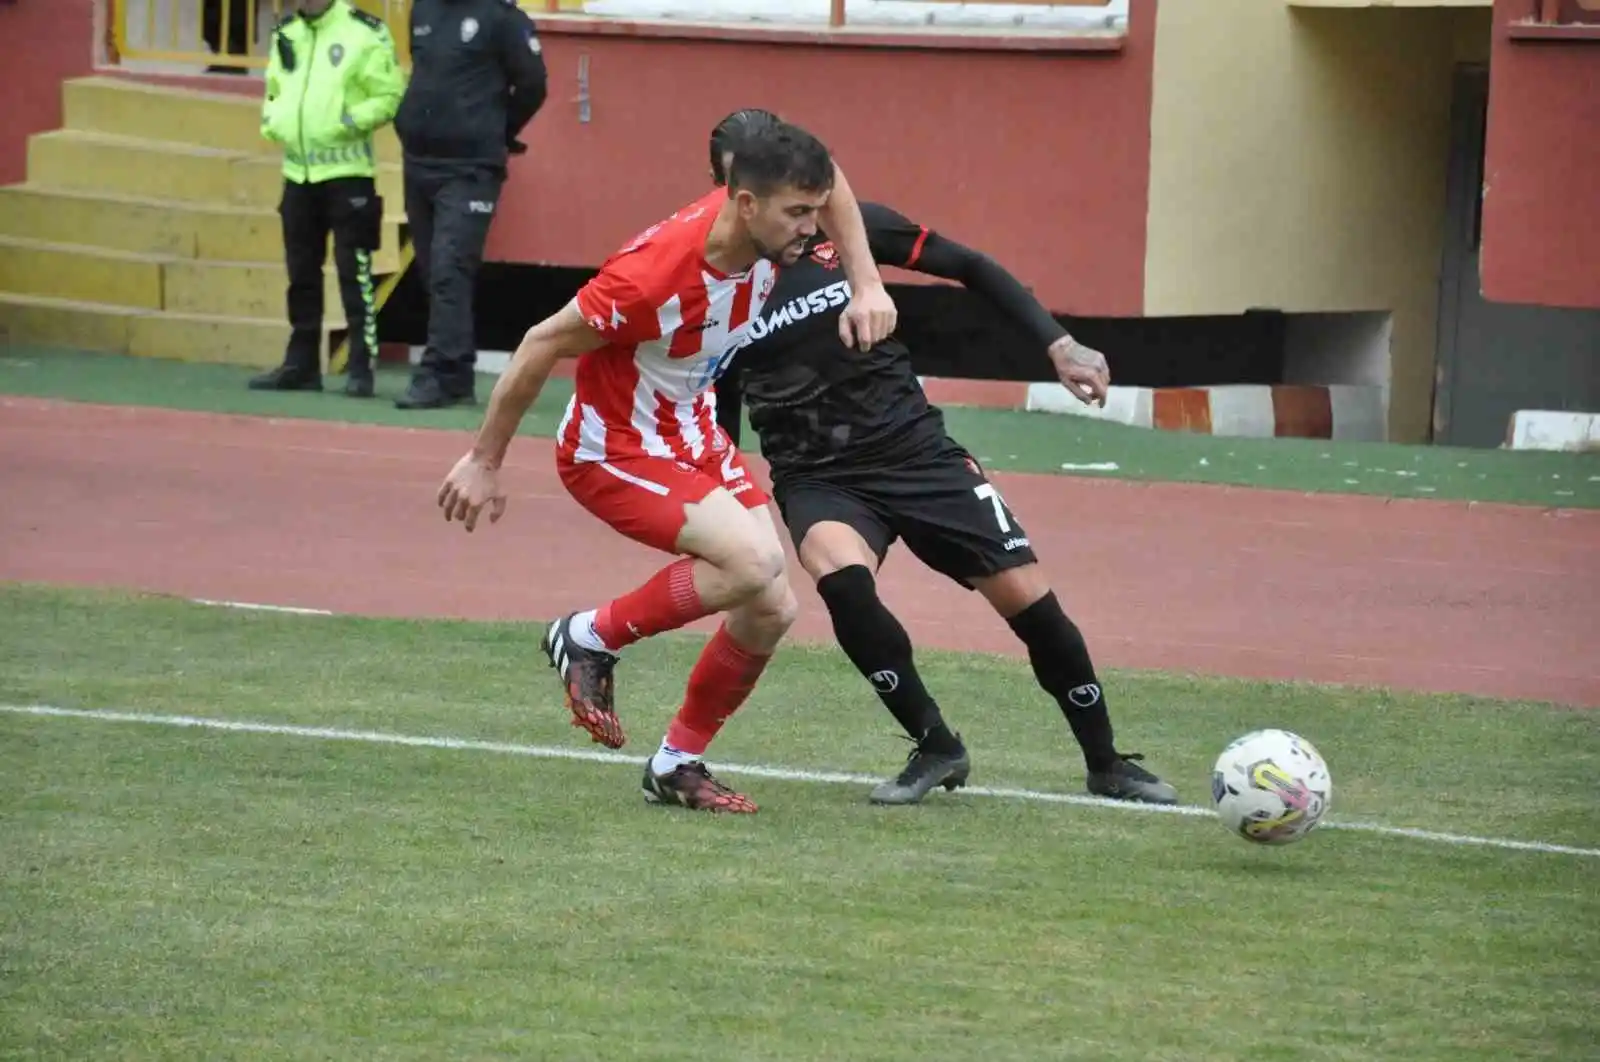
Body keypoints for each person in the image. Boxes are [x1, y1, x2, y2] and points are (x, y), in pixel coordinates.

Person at [707, 108, 1177, 807]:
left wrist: (1057, 343)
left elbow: (970, 266)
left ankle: (1107, 760)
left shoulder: (852, 232)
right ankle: (935, 745)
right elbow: (716, 392)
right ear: (735, 191)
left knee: (1027, 601)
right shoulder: (715, 280)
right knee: (841, 579)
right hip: (817, 473)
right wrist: (717, 486)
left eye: (809, 199)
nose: (803, 216)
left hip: (915, 450)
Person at [434, 119, 900, 814]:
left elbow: (832, 182)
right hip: (615, 449)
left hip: (694, 434)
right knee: (750, 564)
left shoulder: (772, 222)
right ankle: (587, 636)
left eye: (813, 210)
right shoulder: (653, 277)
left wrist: (867, 284)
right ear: (745, 204)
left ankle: (675, 763)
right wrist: (483, 460)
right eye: (797, 213)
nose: (813, 227)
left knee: (771, 608)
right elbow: (538, 344)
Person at [391, 0, 549, 410]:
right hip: (418, 162)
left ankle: (438, 372)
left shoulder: (501, 17)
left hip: (469, 168)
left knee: (449, 267)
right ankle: (457, 373)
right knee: (433, 272)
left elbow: (533, 85)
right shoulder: (422, 9)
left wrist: (499, 129)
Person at [248, 0, 405, 398]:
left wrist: (348, 122)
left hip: (348, 174)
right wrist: (273, 120)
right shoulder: (287, 33)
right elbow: (275, 90)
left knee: (354, 273)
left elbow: (388, 95)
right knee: (300, 272)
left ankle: (360, 367)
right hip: (297, 173)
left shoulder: (363, 31)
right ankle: (300, 363)